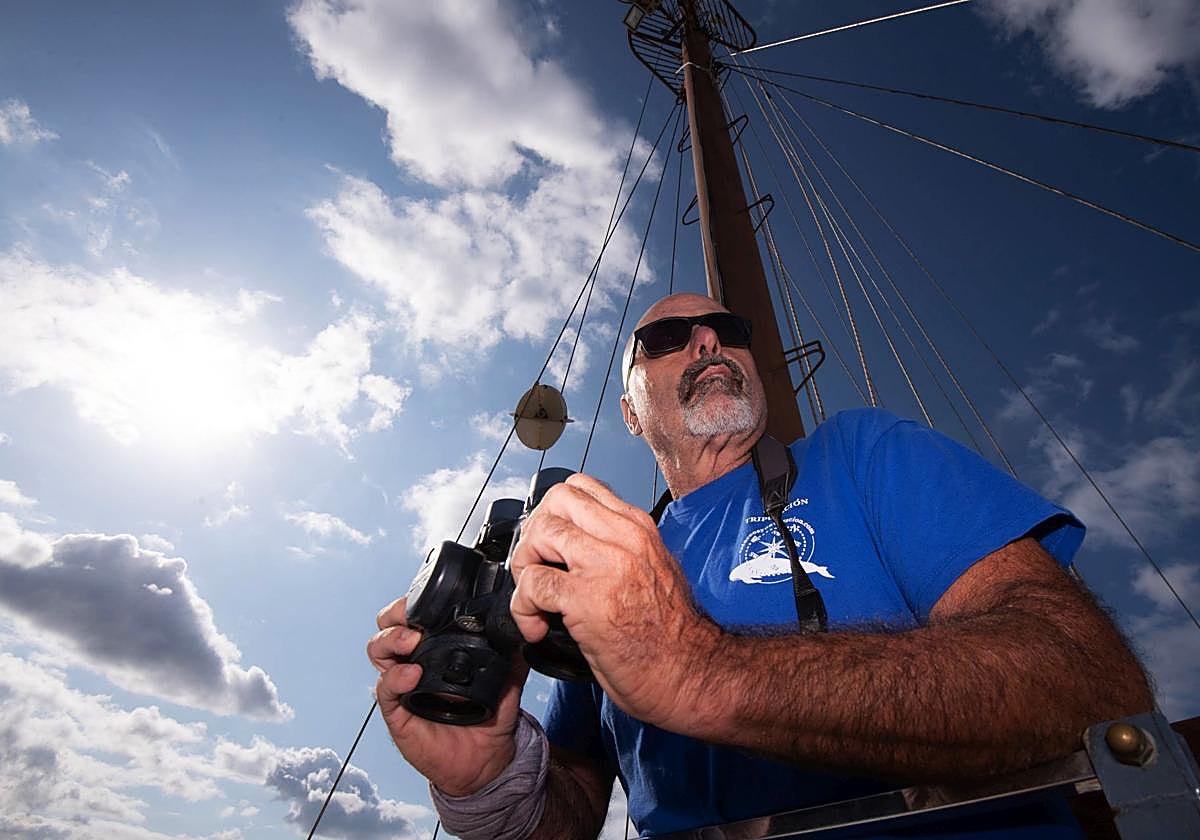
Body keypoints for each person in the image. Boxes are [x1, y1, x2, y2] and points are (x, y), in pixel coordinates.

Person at [369, 292, 1153, 839]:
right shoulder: (603, 564)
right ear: (631, 412)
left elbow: (1085, 675)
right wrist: (488, 785)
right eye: (667, 339)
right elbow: (571, 814)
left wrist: (699, 671)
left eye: (724, 327)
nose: (706, 340)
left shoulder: (867, 455)